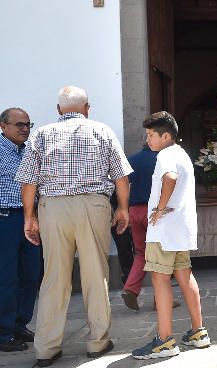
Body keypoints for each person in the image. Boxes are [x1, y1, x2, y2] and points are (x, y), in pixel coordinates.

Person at [16, 86, 132, 366]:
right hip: (93, 205)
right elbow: (121, 177)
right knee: (96, 275)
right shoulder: (102, 131)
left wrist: (29, 217)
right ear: (87, 107)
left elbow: (29, 181)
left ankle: (46, 347)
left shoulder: (41, 134)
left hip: (53, 207)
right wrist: (123, 209)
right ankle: (97, 342)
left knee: (54, 278)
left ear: (59, 110)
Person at [132, 112, 211, 359]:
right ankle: (199, 332)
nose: (148, 140)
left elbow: (170, 178)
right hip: (180, 228)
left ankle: (165, 340)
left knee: (160, 279)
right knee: (185, 276)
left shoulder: (165, 155)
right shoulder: (182, 153)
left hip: (164, 230)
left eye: (151, 135)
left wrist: (158, 208)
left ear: (165, 135)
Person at [121, 143, 182, 311]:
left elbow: (121, 184)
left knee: (141, 253)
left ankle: (131, 288)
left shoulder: (131, 160)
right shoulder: (163, 160)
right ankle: (161, 300)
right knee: (162, 254)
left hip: (134, 211)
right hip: (155, 211)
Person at [0, 108, 40, 353]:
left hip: (31, 218)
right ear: (3, 126)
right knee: (7, 277)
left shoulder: (30, 152)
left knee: (31, 274)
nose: (25, 129)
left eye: (28, 124)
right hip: (5, 218)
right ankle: (3, 332)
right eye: (19, 125)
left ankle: (19, 324)